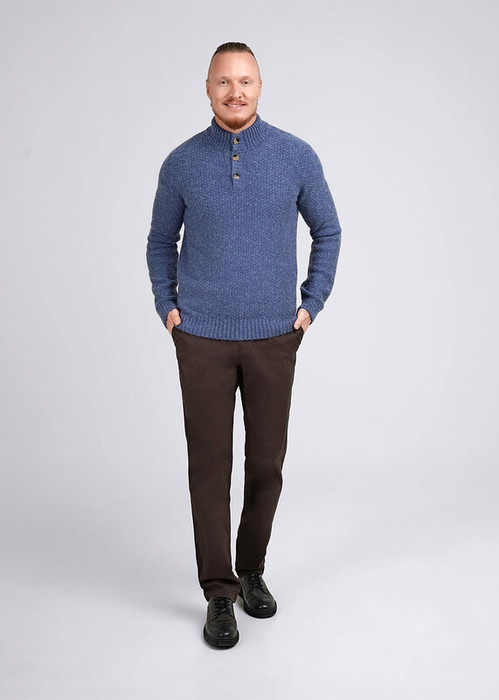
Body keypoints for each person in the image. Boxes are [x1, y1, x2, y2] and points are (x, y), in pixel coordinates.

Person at [146, 41, 342, 649]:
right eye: (224, 81)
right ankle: (218, 592)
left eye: (246, 81)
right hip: (201, 338)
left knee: (265, 465)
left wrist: (309, 305)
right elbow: (160, 241)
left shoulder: (296, 155)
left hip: (273, 338)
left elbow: (329, 230)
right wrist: (168, 307)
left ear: (260, 86)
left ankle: (251, 568)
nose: (236, 91)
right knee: (209, 469)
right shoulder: (181, 162)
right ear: (208, 88)